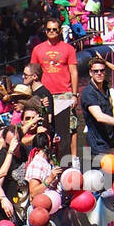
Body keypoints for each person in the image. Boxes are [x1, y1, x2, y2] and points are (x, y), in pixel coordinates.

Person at [29, 19, 78, 155]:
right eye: (49, 29)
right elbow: (33, 71)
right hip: (45, 94)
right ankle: (48, 156)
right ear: (45, 31)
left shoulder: (68, 48)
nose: (52, 32)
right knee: (46, 126)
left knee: (70, 127)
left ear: (60, 31)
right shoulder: (37, 49)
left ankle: (74, 159)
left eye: (55, 29)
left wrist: (74, 94)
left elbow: (73, 71)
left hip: (64, 92)